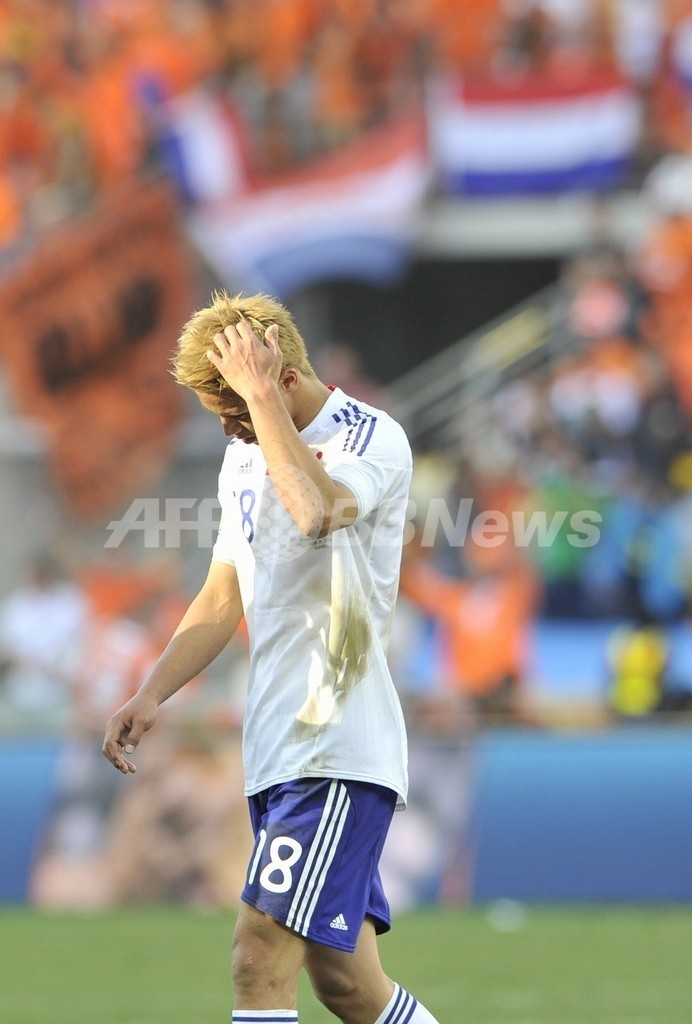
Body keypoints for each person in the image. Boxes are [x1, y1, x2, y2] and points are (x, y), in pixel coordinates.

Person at [102, 290, 440, 1024]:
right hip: (275, 747)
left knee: (256, 959)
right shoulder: (243, 456)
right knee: (347, 987)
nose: (229, 425)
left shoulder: (370, 438)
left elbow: (317, 512)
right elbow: (224, 596)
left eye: (232, 406)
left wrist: (257, 400)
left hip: (337, 744)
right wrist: (152, 691)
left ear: (278, 376)